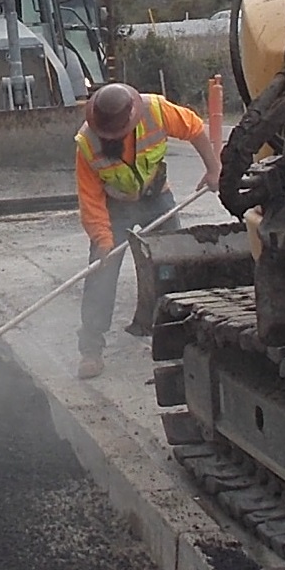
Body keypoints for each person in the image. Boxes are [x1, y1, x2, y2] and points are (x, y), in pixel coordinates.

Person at [73, 81, 222, 380]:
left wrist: (214, 168)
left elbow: (194, 128)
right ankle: (91, 349)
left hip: (157, 197)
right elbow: (90, 201)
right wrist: (103, 240)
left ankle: (179, 337)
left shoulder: (155, 110)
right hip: (114, 207)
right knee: (101, 273)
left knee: (174, 265)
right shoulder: (87, 143)